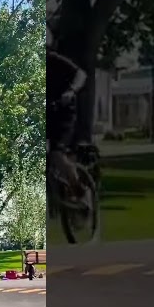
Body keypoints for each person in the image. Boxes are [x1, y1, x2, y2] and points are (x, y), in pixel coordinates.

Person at [49, 51, 88, 212]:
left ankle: (81, 192)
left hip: (63, 114)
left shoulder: (53, 60)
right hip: (46, 114)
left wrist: (71, 91)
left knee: (56, 154)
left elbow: (81, 74)